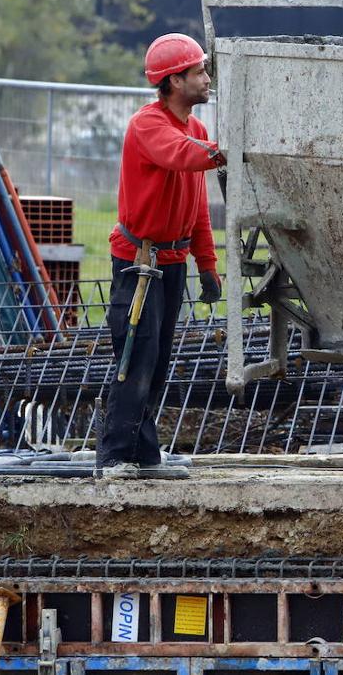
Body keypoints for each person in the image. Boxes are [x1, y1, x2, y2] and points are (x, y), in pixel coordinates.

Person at [100, 33, 226, 480]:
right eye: (199, 72)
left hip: (172, 263)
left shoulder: (197, 131)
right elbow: (180, 157)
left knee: (158, 361)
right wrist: (229, 151)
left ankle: (145, 454)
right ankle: (114, 457)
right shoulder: (149, 125)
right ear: (174, 81)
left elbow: (197, 209)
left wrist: (207, 265)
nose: (207, 79)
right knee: (136, 357)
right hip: (140, 263)